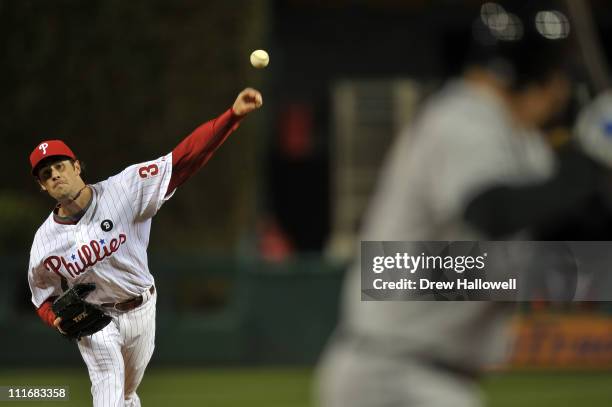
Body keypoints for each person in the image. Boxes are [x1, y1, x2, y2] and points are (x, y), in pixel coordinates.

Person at [316, 3, 603, 406]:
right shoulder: (462, 120)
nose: (562, 90)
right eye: (558, 73)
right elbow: (491, 213)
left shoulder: (521, 139)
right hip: (392, 372)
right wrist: (590, 164)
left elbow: (565, 228)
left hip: (426, 374)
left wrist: (594, 172)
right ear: (532, 75)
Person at [27, 88, 263, 407]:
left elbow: (183, 161)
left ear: (76, 166)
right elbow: (42, 296)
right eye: (46, 174)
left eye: (59, 166)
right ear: (43, 186)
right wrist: (55, 319)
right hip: (96, 319)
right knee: (108, 390)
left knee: (125, 395)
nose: (55, 175)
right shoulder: (44, 242)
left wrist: (231, 117)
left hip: (141, 308)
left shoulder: (125, 189)